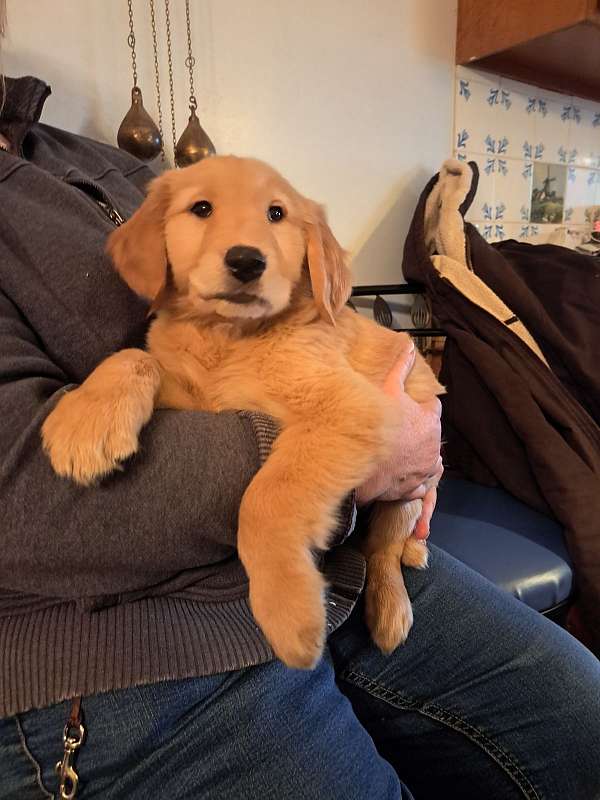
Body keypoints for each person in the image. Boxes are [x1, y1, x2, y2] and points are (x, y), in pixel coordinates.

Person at [1, 41, 599, 800]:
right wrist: (134, 379)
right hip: (114, 650)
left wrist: (395, 474)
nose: (242, 240)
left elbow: (371, 420)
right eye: (204, 213)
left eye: (272, 218)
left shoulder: (89, 159)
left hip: (340, 544)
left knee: (583, 724)